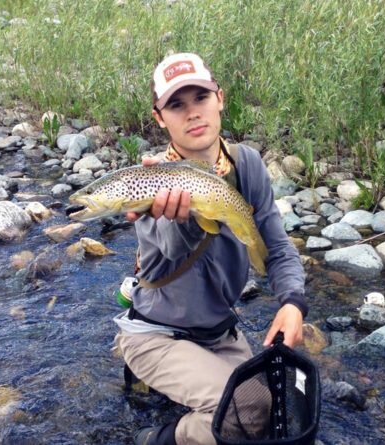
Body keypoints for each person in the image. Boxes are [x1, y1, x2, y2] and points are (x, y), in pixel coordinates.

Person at [114, 52, 307, 445]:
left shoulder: (247, 165)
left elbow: (277, 246)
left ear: (220, 98)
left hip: (220, 333)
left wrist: (292, 302)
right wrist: (178, 216)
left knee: (268, 412)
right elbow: (170, 249)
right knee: (245, 413)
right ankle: (157, 438)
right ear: (159, 117)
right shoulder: (149, 180)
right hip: (156, 333)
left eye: (200, 98)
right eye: (176, 105)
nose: (192, 113)